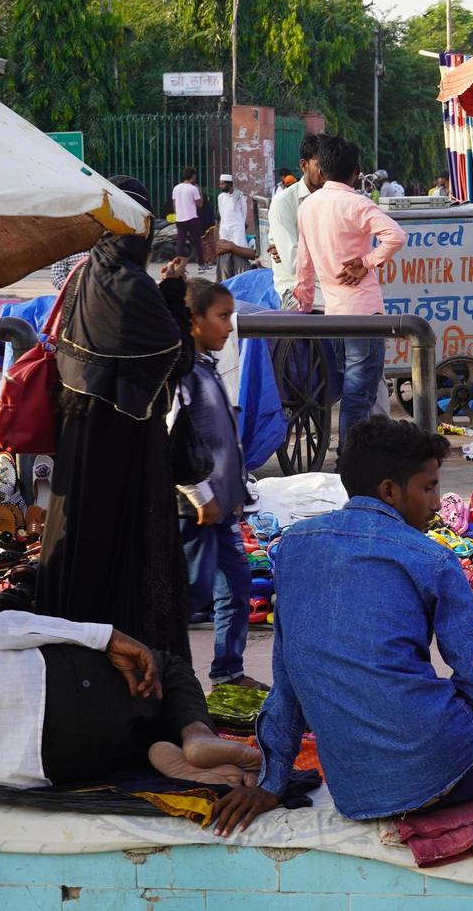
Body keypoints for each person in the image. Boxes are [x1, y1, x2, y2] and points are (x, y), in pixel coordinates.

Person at [215, 418, 473, 896]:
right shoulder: (430, 556)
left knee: (453, 744)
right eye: (428, 488)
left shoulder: (294, 549)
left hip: (357, 790)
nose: (433, 503)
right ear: (389, 490)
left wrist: (272, 780)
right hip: (438, 747)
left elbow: (288, 678)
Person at [38, 176, 196, 658]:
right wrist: (173, 294)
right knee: (126, 553)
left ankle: (72, 659)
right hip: (125, 448)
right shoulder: (133, 286)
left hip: (80, 438)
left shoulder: (85, 275)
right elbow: (177, 355)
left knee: (79, 545)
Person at [0, 605, 262, 790]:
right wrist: (103, 636)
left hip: (38, 765)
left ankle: (158, 750)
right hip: (40, 684)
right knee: (165, 667)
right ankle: (198, 735)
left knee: (125, 737)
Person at [175, 279, 263, 692]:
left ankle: (227, 670)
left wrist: (235, 494)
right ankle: (173, 679)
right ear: (194, 320)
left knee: (236, 585)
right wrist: (201, 495)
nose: (229, 328)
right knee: (191, 595)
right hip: (195, 509)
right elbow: (176, 444)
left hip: (222, 506)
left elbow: (223, 439)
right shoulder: (182, 375)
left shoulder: (205, 369)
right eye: (222, 317)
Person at [292, 135, 404, 453]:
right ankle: (349, 458)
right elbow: (396, 235)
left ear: (323, 170)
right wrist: (366, 262)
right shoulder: (357, 203)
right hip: (363, 312)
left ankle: (355, 456)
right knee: (360, 391)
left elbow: (304, 263)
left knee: (356, 387)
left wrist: (303, 304)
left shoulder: (308, 206)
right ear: (356, 172)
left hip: (332, 312)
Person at [267, 133, 324, 310]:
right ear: (303, 165)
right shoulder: (283, 202)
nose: (325, 171)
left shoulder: (333, 199)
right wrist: (335, 262)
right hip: (294, 287)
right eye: (319, 164)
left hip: (330, 285)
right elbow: (294, 262)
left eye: (329, 165)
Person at [172, 168, 205, 266]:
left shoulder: (176, 188)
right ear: (193, 176)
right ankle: (201, 264)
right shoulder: (193, 188)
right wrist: (199, 191)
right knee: (197, 241)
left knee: (180, 243)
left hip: (179, 218)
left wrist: (178, 214)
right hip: (191, 218)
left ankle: (178, 265)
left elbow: (174, 204)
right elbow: (200, 204)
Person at [215, 174, 249, 250]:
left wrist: (241, 224)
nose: (220, 186)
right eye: (220, 184)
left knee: (239, 248)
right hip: (224, 227)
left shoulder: (239, 195)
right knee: (224, 248)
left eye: (222, 184)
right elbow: (221, 211)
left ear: (229, 184)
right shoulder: (221, 197)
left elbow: (244, 211)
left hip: (237, 227)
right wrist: (222, 224)